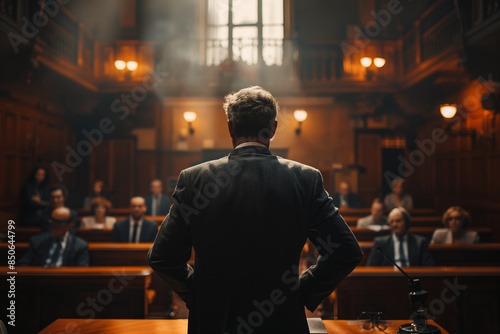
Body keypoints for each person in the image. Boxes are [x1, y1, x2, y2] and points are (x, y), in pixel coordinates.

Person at [148, 86, 363, 333]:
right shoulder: (305, 179)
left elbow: (162, 257)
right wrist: (301, 292)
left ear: (230, 127)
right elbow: (346, 251)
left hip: (215, 320)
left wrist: (197, 292)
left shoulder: (195, 179)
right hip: (281, 320)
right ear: (272, 128)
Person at [19, 207, 89, 266]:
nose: (53, 226)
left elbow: (82, 271)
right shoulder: (37, 241)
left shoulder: (80, 246)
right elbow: (23, 264)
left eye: (58, 223)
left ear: (69, 225)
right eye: (52, 221)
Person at [366, 207, 435, 267]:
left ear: (406, 222)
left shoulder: (420, 243)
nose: (394, 224)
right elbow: (371, 267)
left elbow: (430, 267)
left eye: (398, 221)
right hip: (389, 279)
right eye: (392, 222)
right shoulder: (380, 243)